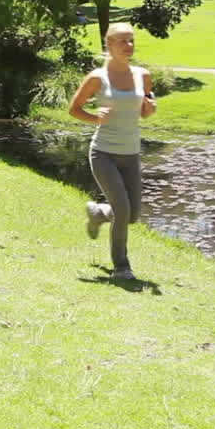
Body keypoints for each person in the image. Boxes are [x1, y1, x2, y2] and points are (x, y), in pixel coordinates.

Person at [68, 22, 156, 280]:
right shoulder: (98, 77)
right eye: (123, 41)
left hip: (131, 154)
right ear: (109, 45)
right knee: (122, 209)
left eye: (132, 40)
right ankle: (122, 267)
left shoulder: (143, 75)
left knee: (132, 215)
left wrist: (149, 109)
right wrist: (95, 117)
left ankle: (99, 213)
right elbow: (74, 109)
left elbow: (145, 109)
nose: (129, 45)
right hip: (104, 153)